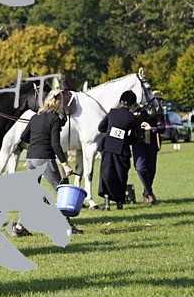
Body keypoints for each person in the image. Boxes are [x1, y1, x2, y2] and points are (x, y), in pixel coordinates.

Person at [19, 88, 82, 235]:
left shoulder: (35, 117)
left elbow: (24, 136)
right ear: (59, 104)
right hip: (44, 159)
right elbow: (55, 144)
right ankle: (66, 226)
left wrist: (37, 142)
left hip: (30, 158)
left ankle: (20, 227)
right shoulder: (53, 118)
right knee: (62, 191)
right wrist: (65, 164)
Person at [97, 90, 139, 210]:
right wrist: (126, 140)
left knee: (106, 174)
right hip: (122, 150)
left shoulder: (112, 112)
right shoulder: (132, 117)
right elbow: (135, 137)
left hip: (108, 148)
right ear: (132, 103)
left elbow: (101, 127)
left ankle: (106, 203)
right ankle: (119, 202)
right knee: (121, 175)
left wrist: (110, 132)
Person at [132, 90, 166, 205]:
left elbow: (162, 129)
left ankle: (146, 194)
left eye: (159, 100)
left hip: (152, 143)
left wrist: (151, 128)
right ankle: (150, 193)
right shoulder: (137, 109)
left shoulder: (159, 113)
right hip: (138, 142)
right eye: (156, 100)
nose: (158, 103)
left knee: (151, 170)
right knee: (140, 168)